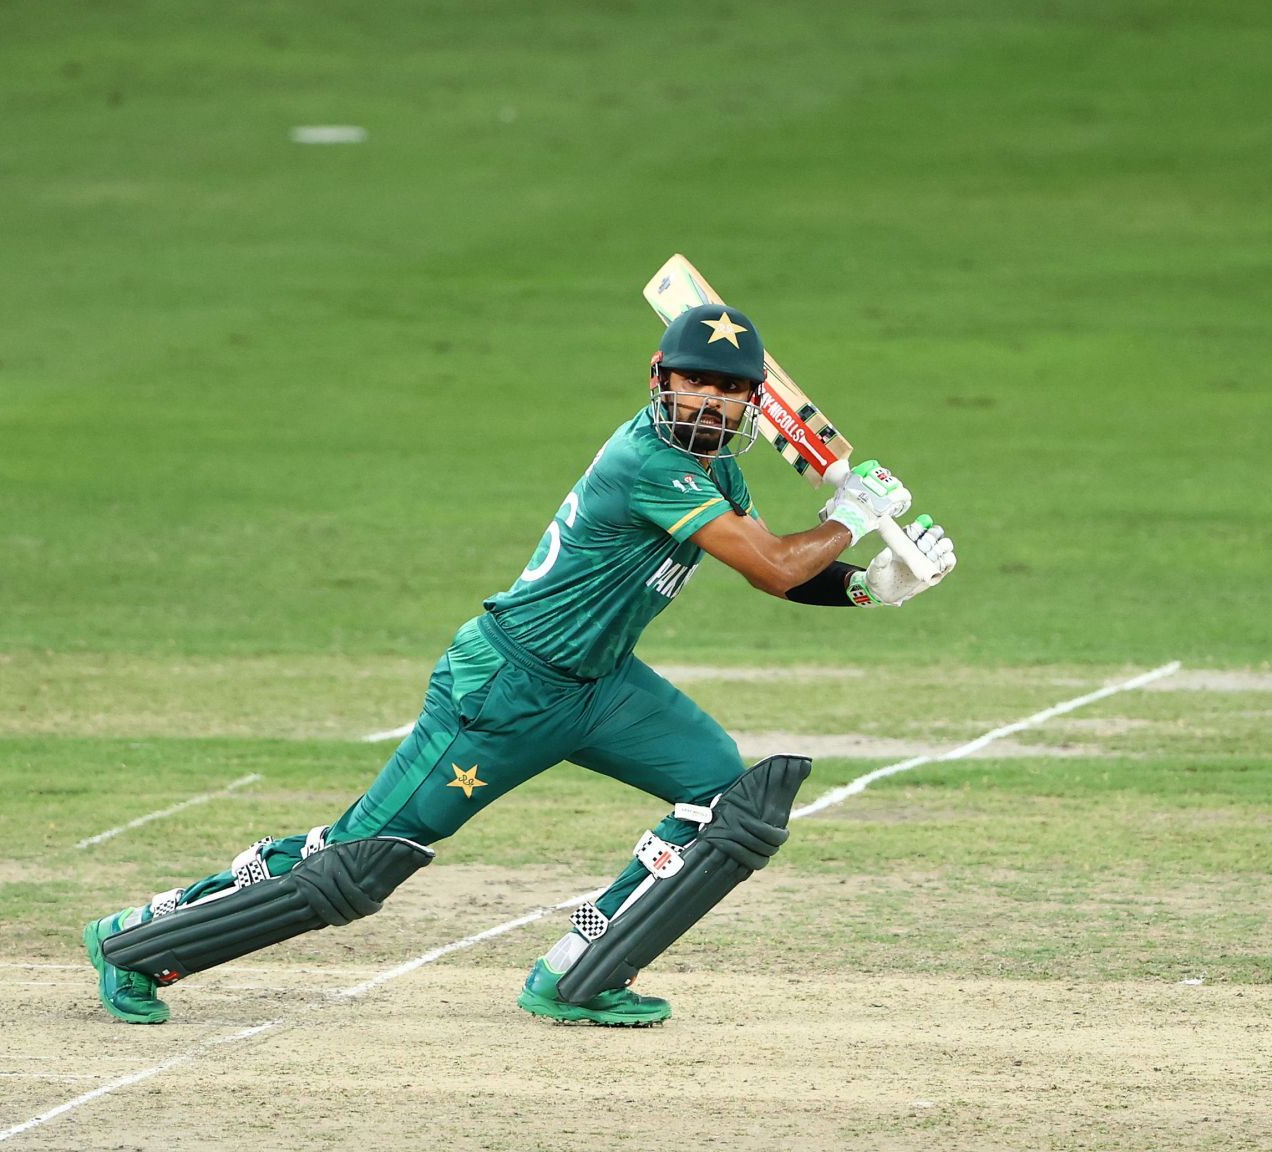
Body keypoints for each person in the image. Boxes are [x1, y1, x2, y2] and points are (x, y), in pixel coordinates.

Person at [82, 302, 958, 1026]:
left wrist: (869, 588)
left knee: (734, 807)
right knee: (360, 867)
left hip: (601, 686)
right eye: (697, 379)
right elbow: (775, 561)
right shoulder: (647, 461)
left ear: (750, 406)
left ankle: (580, 974)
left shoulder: (717, 475)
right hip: (503, 689)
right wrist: (852, 514)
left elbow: (773, 566)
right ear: (660, 376)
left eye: (730, 389)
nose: (711, 399)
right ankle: (135, 943)